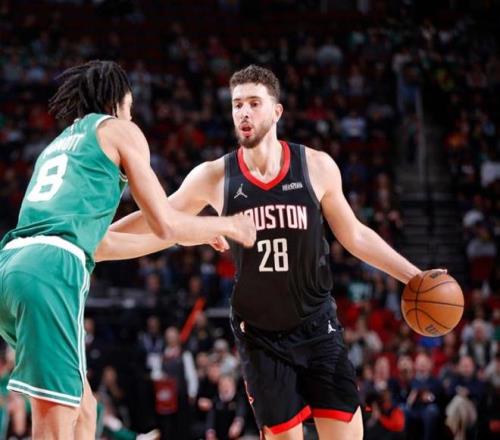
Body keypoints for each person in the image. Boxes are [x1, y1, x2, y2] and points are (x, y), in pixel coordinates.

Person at [99, 65, 442, 439]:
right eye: (237, 105)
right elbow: (159, 217)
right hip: (260, 336)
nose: (243, 113)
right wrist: (97, 240)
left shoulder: (316, 166)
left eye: (253, 103)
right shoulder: (215, 176)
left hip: (316, 326)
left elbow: (355, 235)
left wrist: (414, 276)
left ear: (277, 111)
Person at [0, 60, 255, 440]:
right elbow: (164, 221)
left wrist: (191, 234)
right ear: (116, 102)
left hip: (12, 265)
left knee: (85, 410)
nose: (132, 116)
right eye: (130, 108)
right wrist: (228, 225)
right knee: (54, 426)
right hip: (51, 270)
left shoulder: (60, 145)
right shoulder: (120, 129)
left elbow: (102, 243)